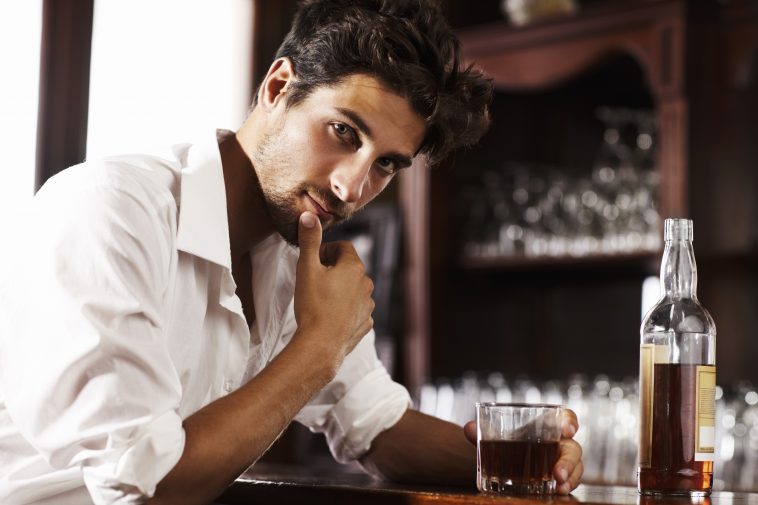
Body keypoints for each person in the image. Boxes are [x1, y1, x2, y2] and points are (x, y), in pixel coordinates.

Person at [0, 1, 583, 504]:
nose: (352, 188)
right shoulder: (111, 210)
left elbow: (378, 429)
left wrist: (523, 458)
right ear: (277, 87)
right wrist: (320, 345)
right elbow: (147, 488)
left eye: (386, 163)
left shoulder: (296, 253)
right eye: (344, 133)